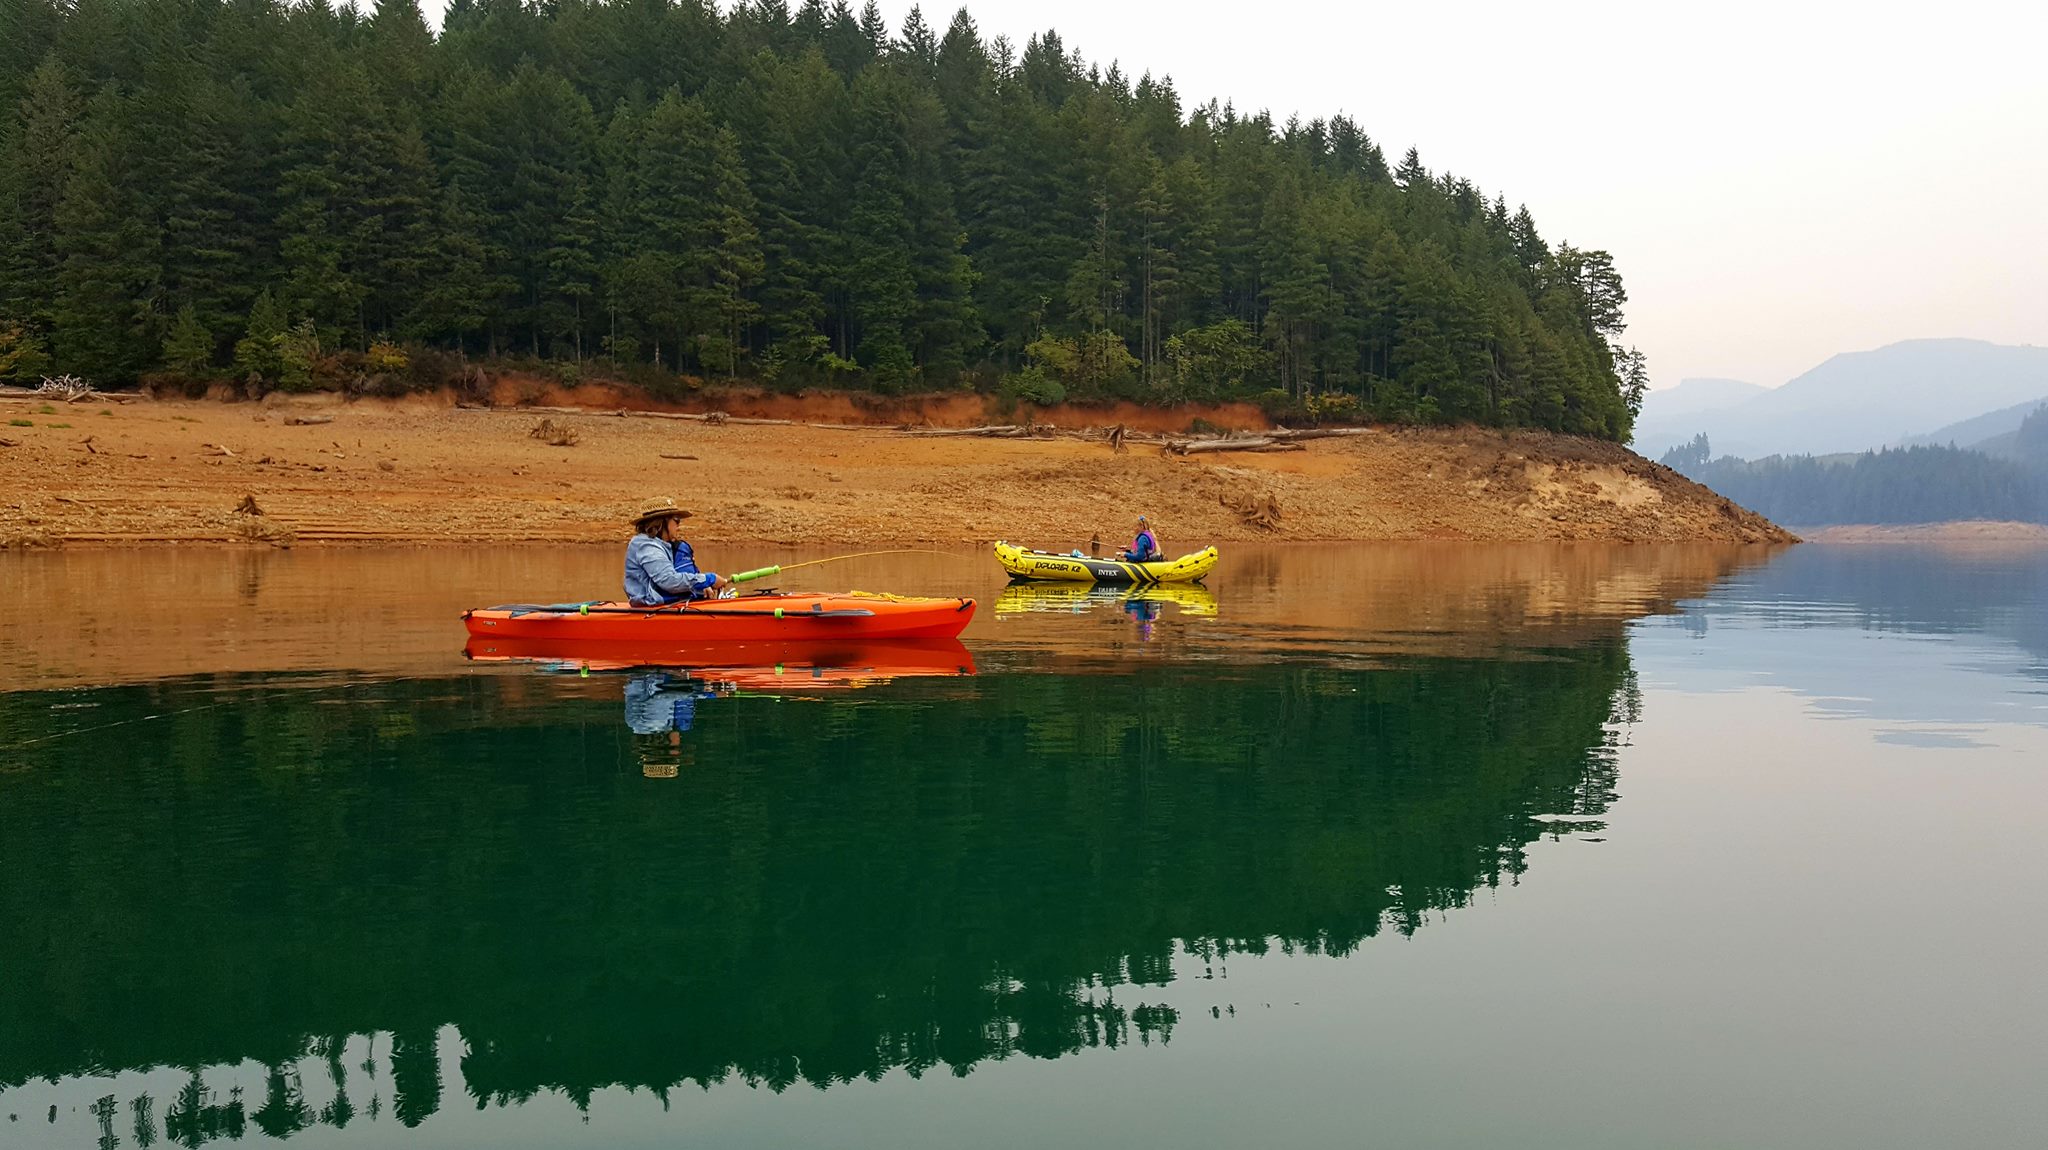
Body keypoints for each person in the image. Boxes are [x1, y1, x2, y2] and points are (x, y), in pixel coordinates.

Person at [624, 498, 725, 606]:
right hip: (650, 605)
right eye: (676, 520)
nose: (678, 526)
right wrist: (709, 579)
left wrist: (699, 587)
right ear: (661, 523)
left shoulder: (662, 544)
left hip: (663, 603)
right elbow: (669, 581)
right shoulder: (646, 546)